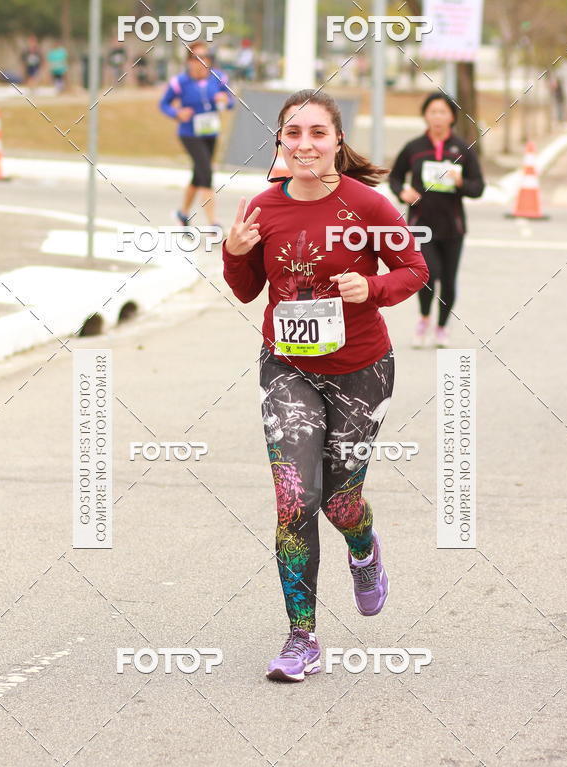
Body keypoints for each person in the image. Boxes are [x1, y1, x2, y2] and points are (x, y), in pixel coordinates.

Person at [221, 89, 429, 682]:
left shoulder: (367, 205)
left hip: (362, 370)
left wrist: (373, 289)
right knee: (295, 499)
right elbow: (246, 290)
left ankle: (363, 548)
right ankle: (301, 639)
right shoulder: (262, 208)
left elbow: (415, 270)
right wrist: (234, 253)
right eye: (293, 133)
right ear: (279, 141)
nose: (305, 144)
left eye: (318, 133)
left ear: (338, 140)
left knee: (339, 502)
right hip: (287, 367)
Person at [389, 92, 484, 348]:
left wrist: (461, 182)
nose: (437, 117)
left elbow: (478, 187)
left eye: (443, 112)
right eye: (432, 112)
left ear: (452, 117)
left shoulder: (462, 149)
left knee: (448, 280)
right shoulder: (414, 147)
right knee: (428, 274)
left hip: (453, 226)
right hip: (421, 226)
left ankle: (442, 327)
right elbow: (395, 177)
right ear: (425, 116)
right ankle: (423, 319)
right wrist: (402, 192)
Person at [158, 41, 235, 228]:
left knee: (198, 175)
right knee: (206, 173)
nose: (201, 61)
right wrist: (177, 113)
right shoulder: (180, 82)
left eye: (205, 57)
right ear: (188, 61)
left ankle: (182, 214)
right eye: (196, 57)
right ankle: (212, 223)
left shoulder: (218, 78)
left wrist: (225, 100)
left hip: (211, 132)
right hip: (189, 133)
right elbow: (163, 104)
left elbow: (231, 102)